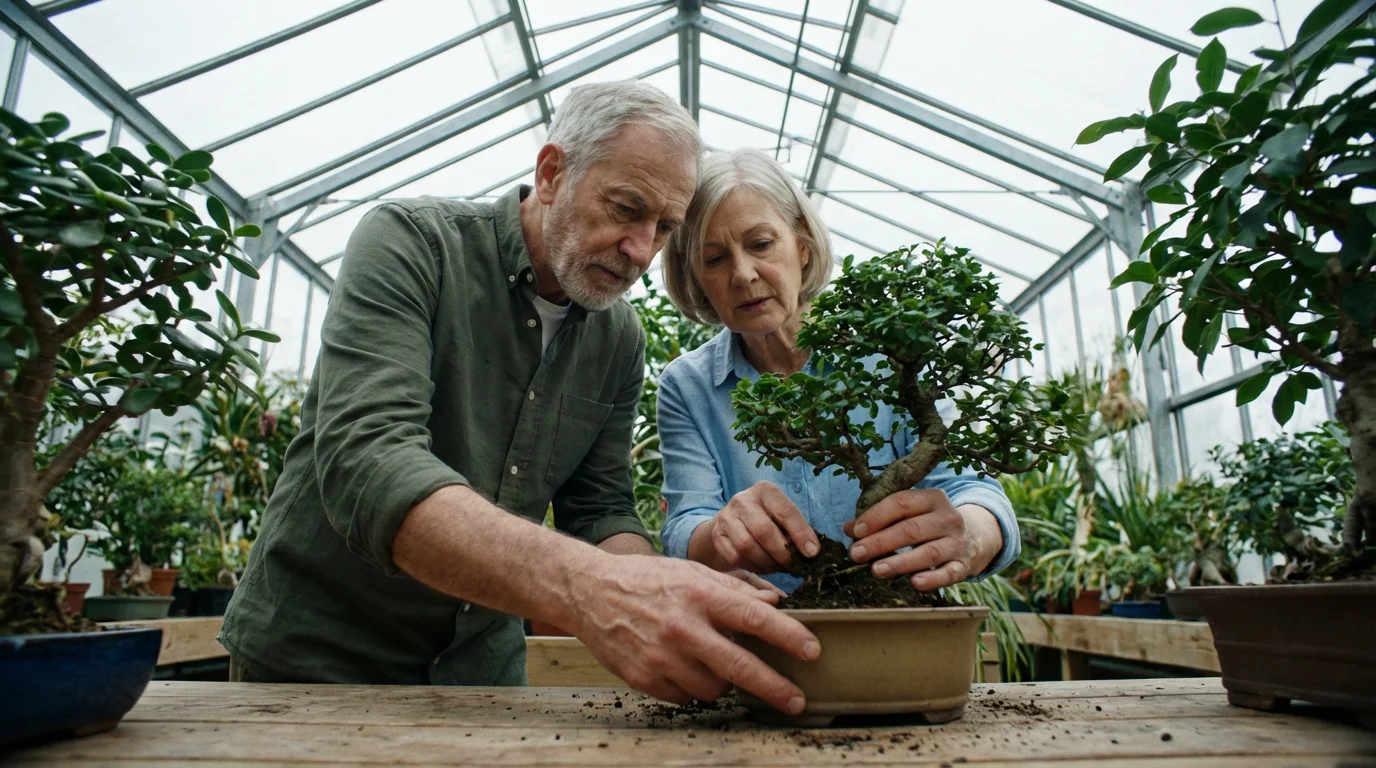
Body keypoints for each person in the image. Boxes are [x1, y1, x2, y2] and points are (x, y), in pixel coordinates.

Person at [220, 84, 819, 715]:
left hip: (482, 674)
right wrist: (593, 588)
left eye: (664, 228)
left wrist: (664, 584)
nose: (642, 250)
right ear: (553, 172)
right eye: (625, 209)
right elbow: (369, 462)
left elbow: (600, 508)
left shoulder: (618, 338)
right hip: (318, 663)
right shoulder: (413, 245)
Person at [657, 148, 1020, 592]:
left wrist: (971, 533)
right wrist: (717, 534)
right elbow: (684, 527)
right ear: (695, 277)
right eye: (714, 259)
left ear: (803, 248)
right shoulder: (687, 387)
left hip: (902, 629)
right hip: (760, 632)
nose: (743, 274)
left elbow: (975, 492)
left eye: (761, 244)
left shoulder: (892, 352)